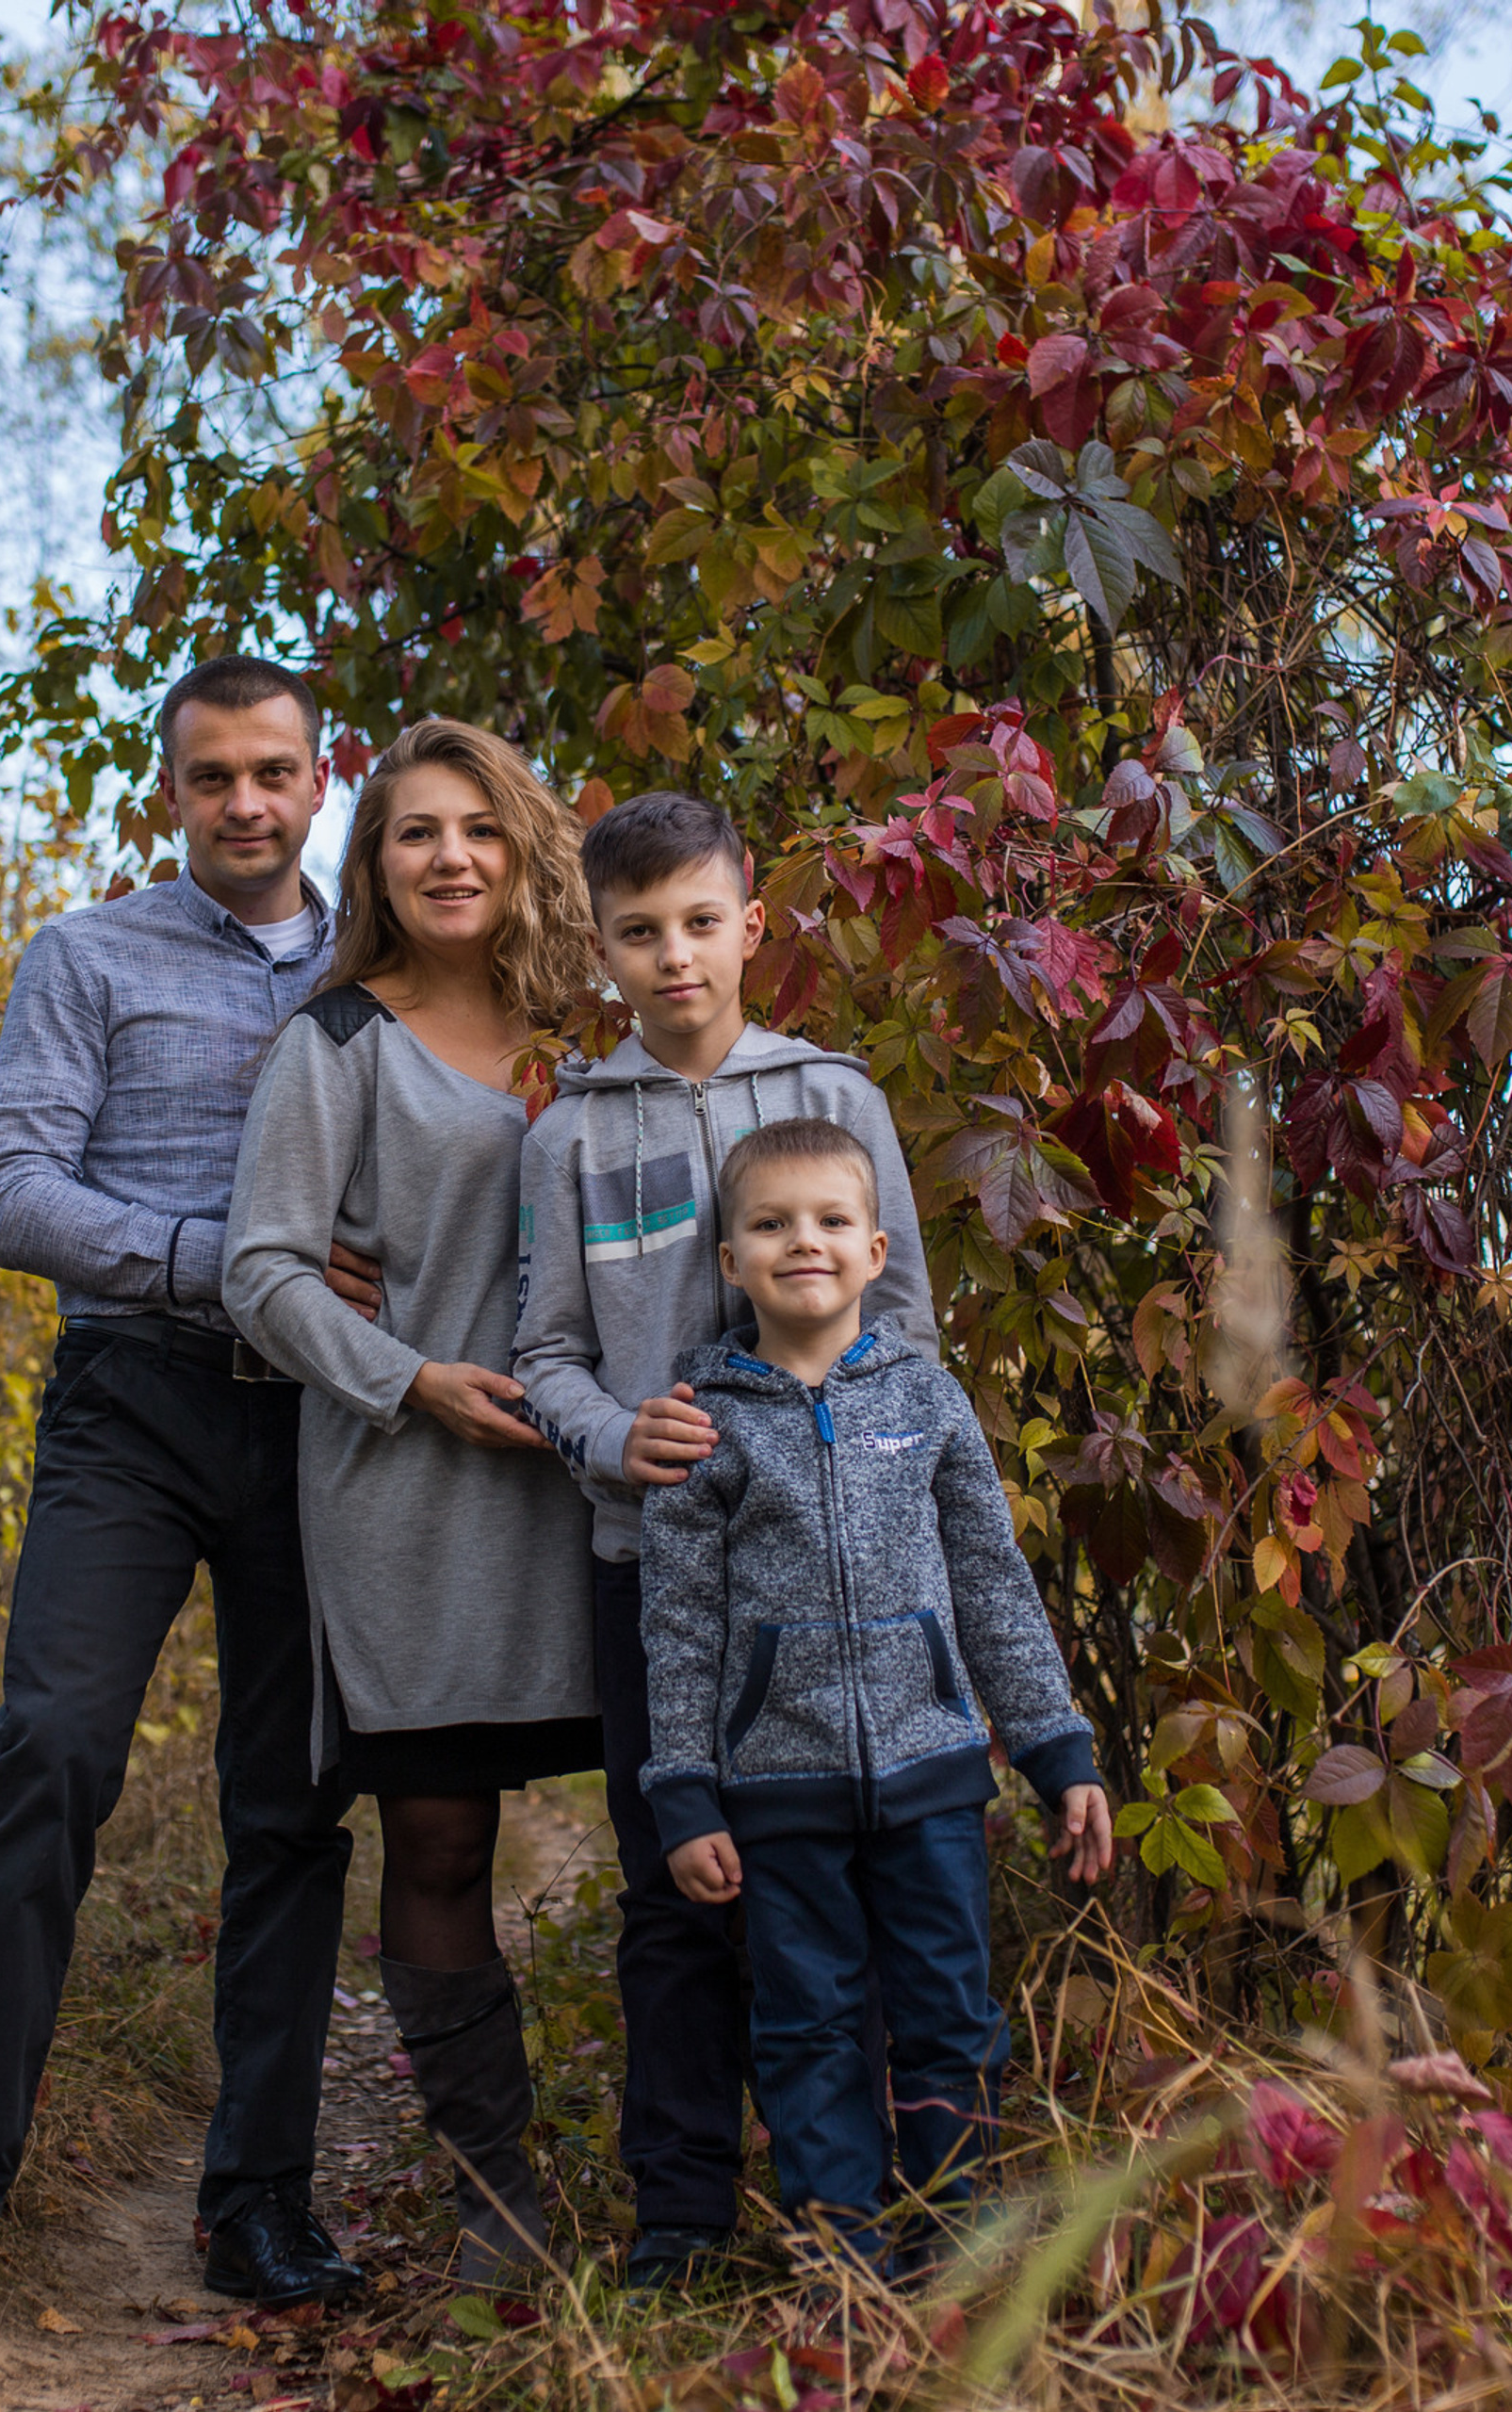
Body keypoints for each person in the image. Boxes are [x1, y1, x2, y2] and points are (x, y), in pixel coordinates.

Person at [0, 658, 382, 2343]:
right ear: (171, 794)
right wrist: (232, 1269)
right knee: (51, 1753)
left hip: (326, 1431)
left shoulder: (384, 973)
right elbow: (10, 1194)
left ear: (319, 785)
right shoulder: (87, 956)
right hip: (132, 1408)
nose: (245, 802)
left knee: (294, 1805)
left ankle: (259, 2205)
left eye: (274, 772)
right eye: (212, 775)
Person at [512, 790, 938, 2288]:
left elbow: (906, 1335)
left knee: (852, 1891)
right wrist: (615, 1433)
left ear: (752, 927)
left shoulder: (837, 1098)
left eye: (700, 923)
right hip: (655, 1580)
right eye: (639, 932)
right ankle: (682, 2214)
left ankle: (874, 2211)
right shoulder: (569, 1132)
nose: (673, 957)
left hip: (836, 1591)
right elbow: (544, 1351)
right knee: (672, 1886)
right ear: (601, 946)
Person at [222, 717, 601, 2284]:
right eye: (411, 833)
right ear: (373, 865)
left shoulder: (599, 1029)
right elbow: (261, 1271)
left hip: (603, 1496)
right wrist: (412, 1376)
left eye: (477, 829)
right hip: (415, 1493)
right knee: (438, 1844)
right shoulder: (336, 1046)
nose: (448, 857)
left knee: (682, 1820)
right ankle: (498, 2202)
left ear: (524, 850)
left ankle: (696, 2171)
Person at [640, 1116, 1115, 2276]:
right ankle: (839, 2260)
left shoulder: (930, 1401)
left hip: (932, 1777)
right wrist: (686, 1795)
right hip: (779, 1786)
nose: (802, 1240)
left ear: (874, 1251)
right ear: (730, 1260)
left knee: (951, 2019)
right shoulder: (703, 1424)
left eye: (829, 1221)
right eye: (770, 1223)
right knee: (808, 2028)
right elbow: (680, 1624)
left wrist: (1059, 1751)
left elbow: (995, 1588)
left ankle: (950, 2251)